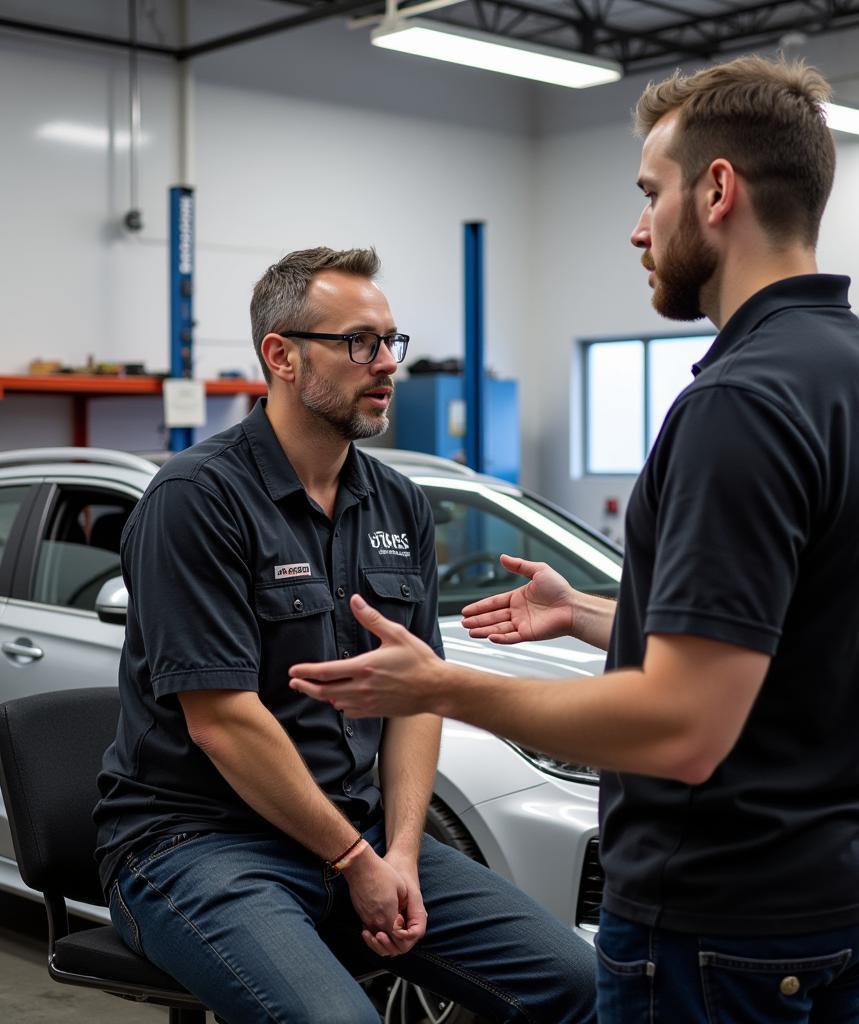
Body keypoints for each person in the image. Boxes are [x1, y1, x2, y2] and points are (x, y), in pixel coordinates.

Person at [288, 57, 859, 1023]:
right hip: (848, 891)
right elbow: (801, 638)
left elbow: (683, 731)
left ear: (717, 190)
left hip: (724, 920)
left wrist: (441, 686)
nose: (638, 230)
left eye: (651, 194)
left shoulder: (741, 403)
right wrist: (601, 616)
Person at [93, 246, 597, 1024]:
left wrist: (397, 851)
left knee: (585, 983)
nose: (387, 364)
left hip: (355, 837)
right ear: (282, 356)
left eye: (391, 342)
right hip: (196, 846)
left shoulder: (398, 503)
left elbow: (418, 697)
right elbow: (223, 720)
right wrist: (355, 859)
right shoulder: (196, 499)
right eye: (359, 342)